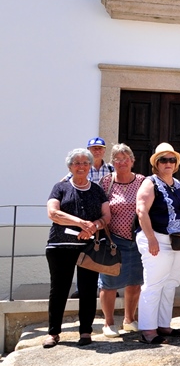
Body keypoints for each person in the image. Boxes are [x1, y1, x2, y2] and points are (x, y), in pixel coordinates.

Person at [42, 148, 111, 348]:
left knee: (89, 290)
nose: (81, 166)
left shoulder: (97, 190)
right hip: (60, 247)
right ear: (70, 166)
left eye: (85, 163)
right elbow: (53, 213)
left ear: (90, 166)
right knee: (59, 290)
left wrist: (94, 226)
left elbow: (107, 216)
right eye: (76, 163)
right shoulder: (60, 187)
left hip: (89, 247)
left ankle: (86, 332)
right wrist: (82, 223)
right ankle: (53, 333)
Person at [135, 142, 180, 344]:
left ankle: (163, 325)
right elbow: (141, 210)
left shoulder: (178, 185)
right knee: (154, 284)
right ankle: (148, 330)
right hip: (157, 238)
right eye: (163, 160)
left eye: (171, 159)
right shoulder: (150, 183)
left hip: (177, 242)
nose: (168, 163)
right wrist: (151, 238)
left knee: (171, 284)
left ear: (176, 163)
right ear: (156, 164)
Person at [98, 144, 146, 337]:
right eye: (117, 159)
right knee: (109, 283)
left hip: (136, 240)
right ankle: (108, 323)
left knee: (135, 282)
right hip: (113, 241)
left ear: (132, 161)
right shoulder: (106, 182)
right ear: (112, 162)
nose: (122, 162)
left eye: (126, 158)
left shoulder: (142, 181)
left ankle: (129, 319)